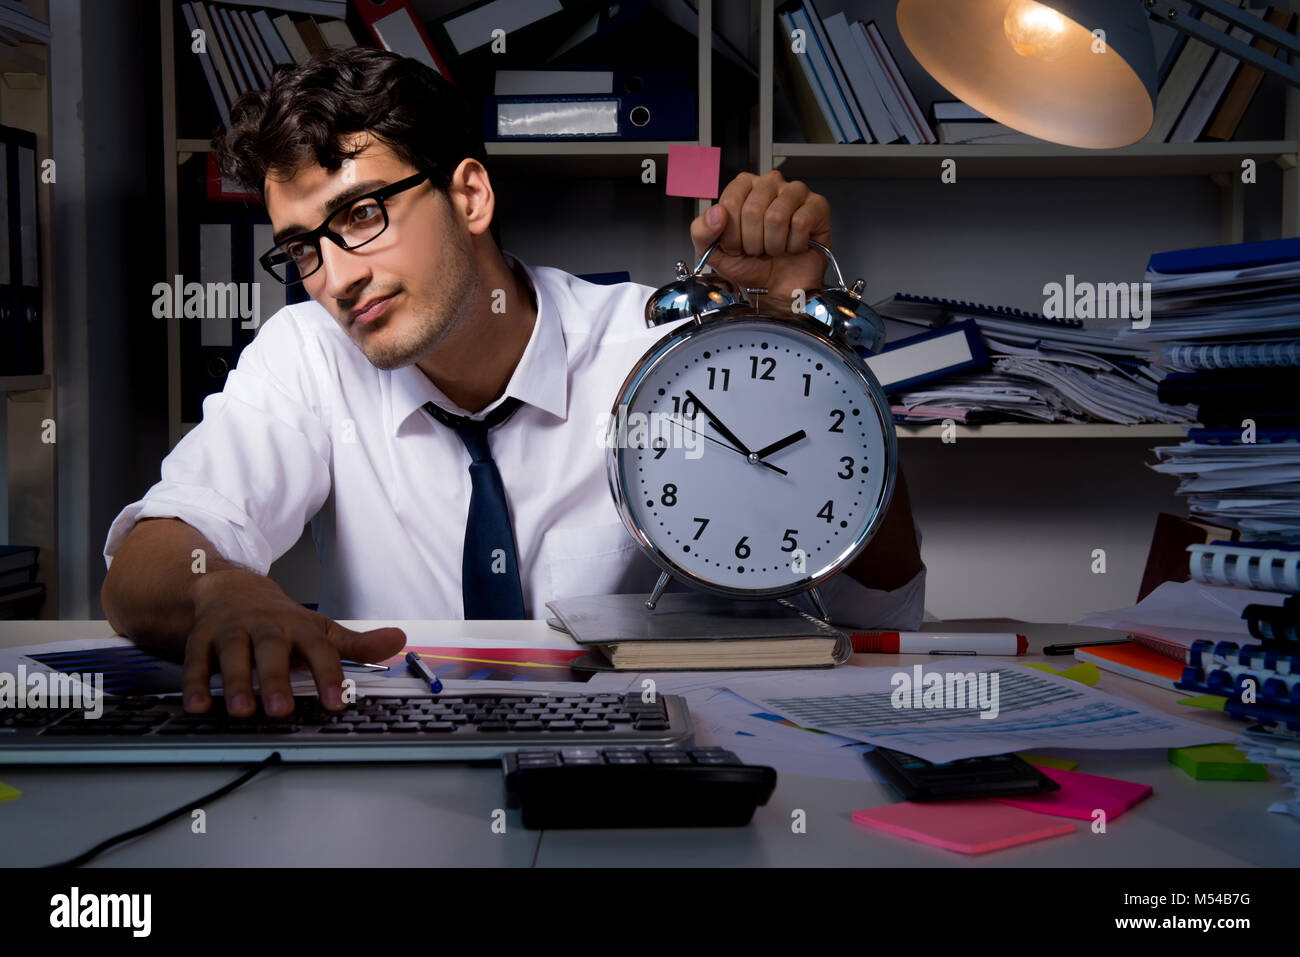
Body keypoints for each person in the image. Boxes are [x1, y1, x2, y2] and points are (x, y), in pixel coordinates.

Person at [101, 48, 925, 719]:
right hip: (402, 782)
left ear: (470, 194)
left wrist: (799, 348)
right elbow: (148, 560)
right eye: (303, 247)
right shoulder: (309, 353)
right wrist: (229, 594)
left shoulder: (667, 351)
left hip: (653, 759)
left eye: (361, 215)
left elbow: (875, 601)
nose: (336, 278)